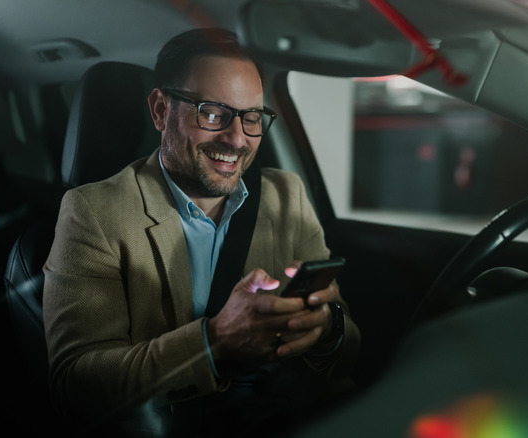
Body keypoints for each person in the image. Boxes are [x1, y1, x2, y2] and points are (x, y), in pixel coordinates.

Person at [42, 28, 360, 436]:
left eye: (251, 118)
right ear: (161, 110)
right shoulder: (94, 213)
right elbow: (76, 386)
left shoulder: (287, 195)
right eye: (212, 113)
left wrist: (327, 329)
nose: (237, 139)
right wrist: (215, 340)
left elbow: (350, 346)